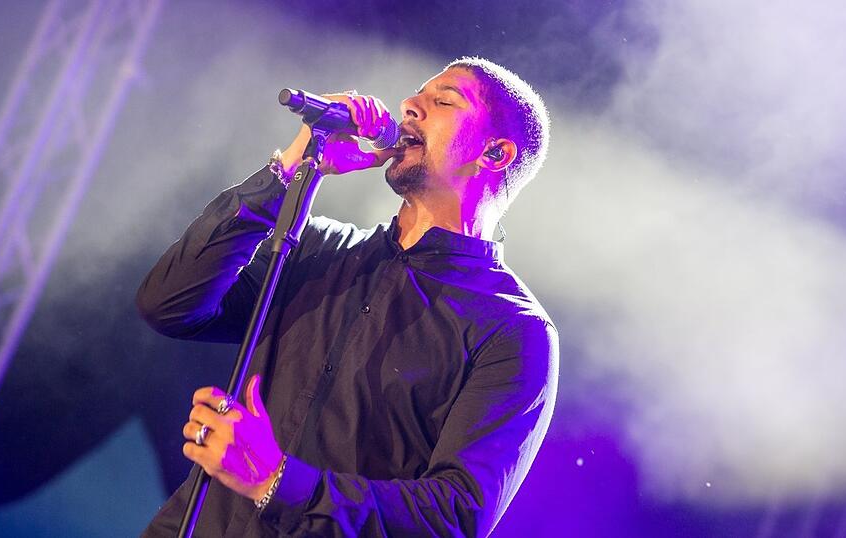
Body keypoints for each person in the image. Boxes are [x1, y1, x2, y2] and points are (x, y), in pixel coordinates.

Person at [137, 56, 558, 537]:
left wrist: (277, 480)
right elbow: (169, 305)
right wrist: (293, 168)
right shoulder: (310, 249)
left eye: (442, 101)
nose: (408, 106)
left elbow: (454, 515)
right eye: (416, 95)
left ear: (494, 154)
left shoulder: (513, 330)